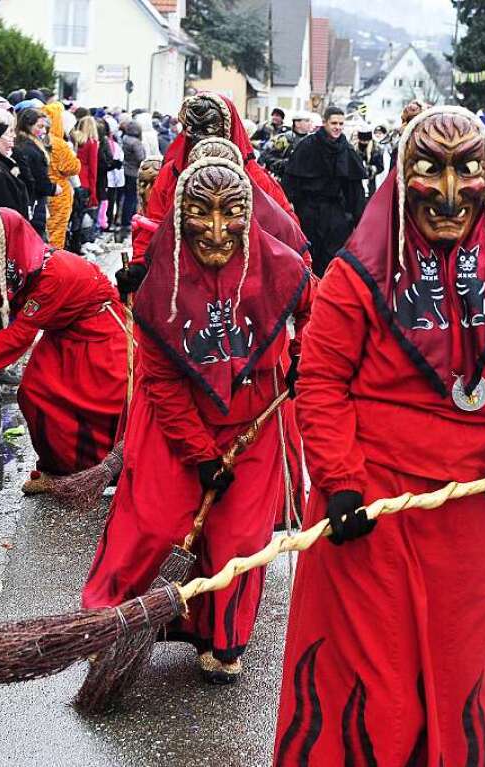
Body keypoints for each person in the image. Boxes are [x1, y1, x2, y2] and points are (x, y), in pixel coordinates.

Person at [274, 106, 485, 765]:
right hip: (368, 511)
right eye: (430, 170)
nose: (450, 191)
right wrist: (341, 480)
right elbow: (319, 378)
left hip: (465, 513)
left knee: (454, 670)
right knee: (370, 679)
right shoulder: (355, 276)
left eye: (468, 170)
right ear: (403, 177)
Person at [83, 157, 312, 684]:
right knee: (153, 524)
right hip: (178, 424)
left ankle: (224, 638)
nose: (214, 231)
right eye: (200, 215)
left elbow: (316, 308)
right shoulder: (160, 288)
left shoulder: (279, 266)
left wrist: (304, 354)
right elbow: (160, 382)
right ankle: (110, 622)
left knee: (239, 538)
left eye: (230, 214)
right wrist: (201, 453)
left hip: (253, 420)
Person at [0, 207, 127, 488]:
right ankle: (58, 470)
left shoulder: (52, 274)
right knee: (34, 393)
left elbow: (19, 335)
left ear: (9, 242)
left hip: (100, 331)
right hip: (62, 331)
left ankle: (115, 467)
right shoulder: (6, 268)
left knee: (107, 400)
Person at [132, 92, 296, 263]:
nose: (203, 141)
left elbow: (286, 234)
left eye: (210, 131)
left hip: (242, 276)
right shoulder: (171, 175)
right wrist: (140, 264)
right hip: (180, 275)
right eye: (195, 132)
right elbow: (152, 227)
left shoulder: (256, 180)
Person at [283, 106, 366, 277]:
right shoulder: (307, 146)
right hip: (308, 209)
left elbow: (355, 190)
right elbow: (291, 180)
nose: (337, 127)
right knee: (308, 254)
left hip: (335, 212)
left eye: (341, 124)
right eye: (334, 123)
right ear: (325, 123)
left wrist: (359, 220)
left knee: (332, 257)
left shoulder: (347, 150)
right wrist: (290, 208)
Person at [12, 106, 57, 238]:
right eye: (39, 126)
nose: (43, 131)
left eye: (44, 127)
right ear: (28, 126)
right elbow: (38, 178)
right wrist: (52, 188)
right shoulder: (30, 149)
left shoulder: (29, 144)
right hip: (34, 201)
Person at [44, 100, 81, 248]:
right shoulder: (58, 144)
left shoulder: (35, 140)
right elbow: (72, 167)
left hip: (42, 191)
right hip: (59, 192)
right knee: (56, 230)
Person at [260, 111, 311, 180]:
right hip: (285, 180)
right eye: (307, 121)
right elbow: (266, 157)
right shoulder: (284, 139)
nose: (310, 123)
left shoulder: (312, 140)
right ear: (297, 123)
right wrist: (285, 163)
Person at [118, 118, 145, 240]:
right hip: (134, 172)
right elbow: (141, 158)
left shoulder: (124, 139)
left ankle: (122, 219)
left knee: (124, 198)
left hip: (125, 170)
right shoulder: (136, 142)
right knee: (132, 198)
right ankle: (128, 220)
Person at [74, 114, 100, 209]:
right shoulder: (92, 143)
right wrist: (93, 191)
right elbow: (93, 167)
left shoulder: (74, 140)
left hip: (71, 178)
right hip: (84, 180)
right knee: (79, 215)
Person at [353, 123, 384, 200]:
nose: (364, 143)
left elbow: (380, 167)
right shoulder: (353, 148)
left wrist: (371, 169)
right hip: (357, 184)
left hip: (371, 183)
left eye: (366, 140)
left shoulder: (376, 149)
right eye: (362, 140)